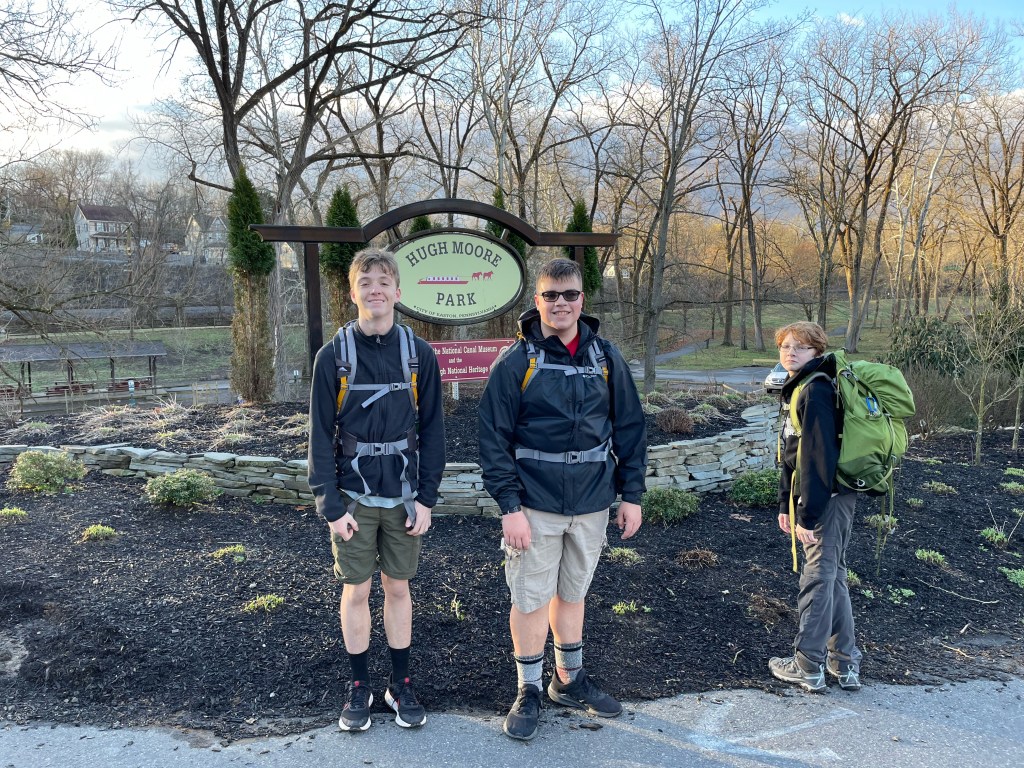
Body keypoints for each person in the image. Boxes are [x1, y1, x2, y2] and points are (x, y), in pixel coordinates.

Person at [479, 257, 647, 741]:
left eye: (570, 295)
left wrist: (630, 495)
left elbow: (630, 429)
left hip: (592, 503)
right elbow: (493, 440)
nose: (561, 304)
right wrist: (510, 507)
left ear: (582, 301)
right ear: (538, 301)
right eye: (551, 295)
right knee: (530, 598)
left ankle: (567, 679)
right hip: (533, 504)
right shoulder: (517, 362)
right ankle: (527, 688)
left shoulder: (605, 357)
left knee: (572, 593)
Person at [307, 248, 445, 731]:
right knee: (356, 589)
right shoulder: (334, 355)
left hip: (405, 496)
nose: (375, 290)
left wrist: (427, 497)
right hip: (354, 499)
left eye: (384, 281)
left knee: (398, 587)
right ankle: (360, 685)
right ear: (353, 292)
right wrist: (331, 506)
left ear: (398, 292)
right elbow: (319, 435)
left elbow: (434, 431)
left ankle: (400, 684)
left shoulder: (418, 354)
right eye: (366, 282)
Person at [770, 321, 862, 693]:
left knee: (818, 578)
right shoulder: (801, 388)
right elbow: (791, 454)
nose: (790, 352)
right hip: (823, 496)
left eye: (800, 347)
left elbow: (818, 459)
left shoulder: (816, 391)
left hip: (827, 498)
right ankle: (845, 662)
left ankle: (807, 664)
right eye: (785, 346)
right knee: (833, 575)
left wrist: (807, 512)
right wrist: (784, 504)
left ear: (817, 352)